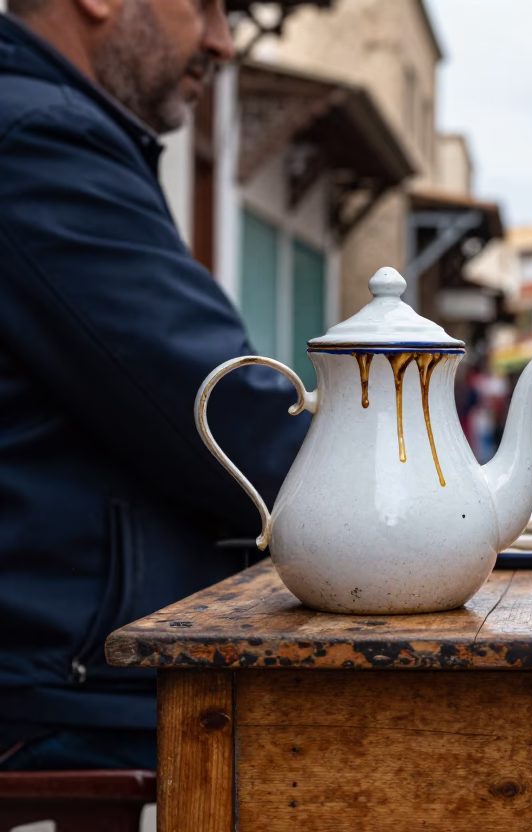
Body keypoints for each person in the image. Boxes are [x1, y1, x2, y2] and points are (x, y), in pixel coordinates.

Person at [0, 1, 310, 770]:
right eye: (203, 6)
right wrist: (413, 493)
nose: (223, 42)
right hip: (54, 676)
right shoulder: (39, 137)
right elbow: (217, 414)